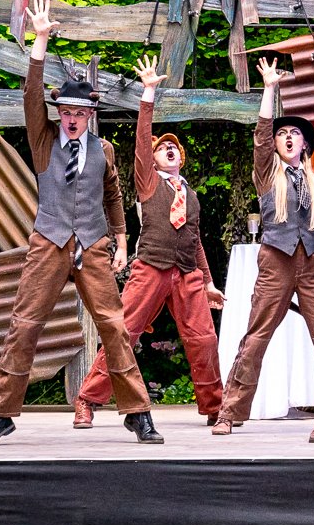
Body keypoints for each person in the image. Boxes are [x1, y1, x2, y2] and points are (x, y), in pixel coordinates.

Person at [0, 0, 162, 446]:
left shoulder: (103, 150)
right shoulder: (43, 141)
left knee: (115, 326)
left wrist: (120, 239)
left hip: (93, 243)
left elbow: (113, 195)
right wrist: (40, 40)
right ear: (59, 113)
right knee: (25, 324)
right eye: (67, 112)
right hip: (50, 240)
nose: (73, 118)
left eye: (80, 112)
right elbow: (29, 94)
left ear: (90, 115)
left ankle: (137, 412)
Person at [73, 55, 226, 429]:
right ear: (155, 159)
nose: (168, 150)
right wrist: (148, 95)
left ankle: (214, 408)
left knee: (204, 339)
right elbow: (142, 142)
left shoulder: (190, 195)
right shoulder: (149, 182)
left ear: (182, 159)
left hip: (187, 274)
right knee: (123, 333)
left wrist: (207, 282)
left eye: (174, 148)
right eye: (163, 148)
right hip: (150, 268)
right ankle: (87, 400)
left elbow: (196, 241)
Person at [216, 55, 314, 441]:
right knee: (256, 336)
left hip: (313, 259)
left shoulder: (313, 181)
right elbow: (260, 136)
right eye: (282, 134)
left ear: (305, 144)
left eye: (295, 134)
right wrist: (269, 89)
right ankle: (229, 413)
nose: (288, 137)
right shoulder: (268, 173)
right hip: (277, 258)